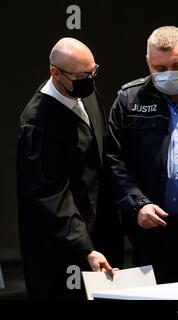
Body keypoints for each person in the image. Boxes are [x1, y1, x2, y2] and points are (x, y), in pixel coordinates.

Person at [107, 26, 178, 284]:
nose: (169, 73)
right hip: (152, 230)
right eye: (159, 68)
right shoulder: (129, 100)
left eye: (177, 64)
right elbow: (115, 160)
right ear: (148, 63)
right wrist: (137, 204)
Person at [17, 38, 121, 299]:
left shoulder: (85, 92)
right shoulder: (37, 124)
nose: (89, 79)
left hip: (98, 235)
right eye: (81, 75)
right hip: (63, 246)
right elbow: (50, 196)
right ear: (55, 72)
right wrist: (84, 247)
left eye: (92, 71)